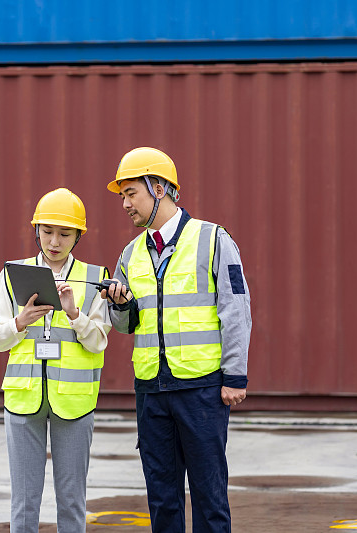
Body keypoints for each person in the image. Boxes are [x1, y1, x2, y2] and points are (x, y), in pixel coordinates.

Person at [101, 147, 251, 533]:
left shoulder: (213, 239)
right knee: (162, 499)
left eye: (131, 193)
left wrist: (235, 375)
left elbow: (236, 309)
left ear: (160, 188)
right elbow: (125, 325)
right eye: (122, 196)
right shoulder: (130, 254)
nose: (125, 204)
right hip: (152, 391)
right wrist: (120, 304)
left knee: (209, 496)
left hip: (201, 389)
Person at [0, 187, 112, 533]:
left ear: (78, 236)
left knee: (72, 501)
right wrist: (19, 322)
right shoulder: (12, 275)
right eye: (47, 231)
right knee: (24, 501)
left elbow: (99, 342)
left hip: (73, 402)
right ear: (36, 230)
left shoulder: (94, 279)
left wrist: (74, 314)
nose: (54, 241)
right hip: (23, 398)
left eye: (64, 233)